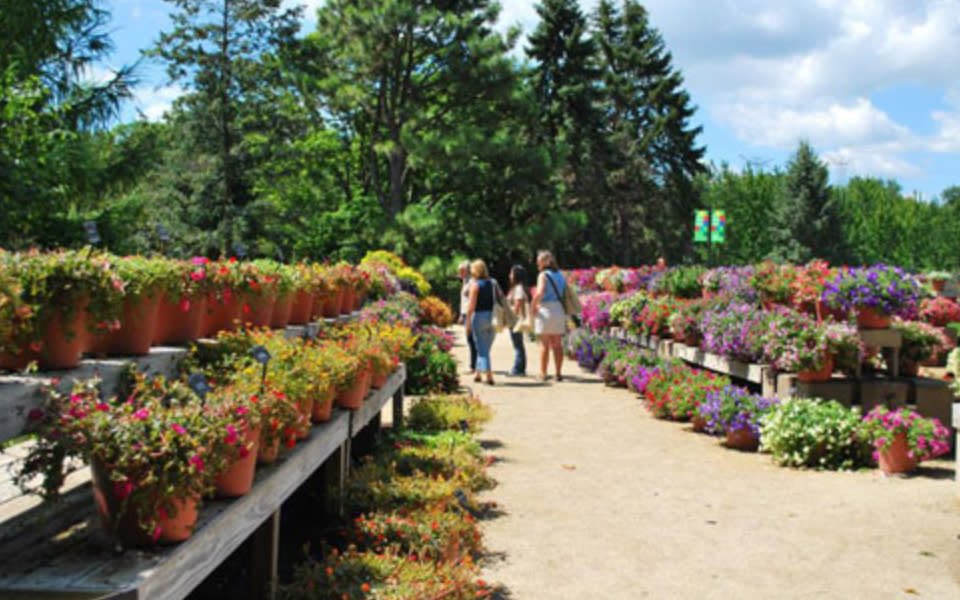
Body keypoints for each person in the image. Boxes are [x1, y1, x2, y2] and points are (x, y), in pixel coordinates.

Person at [531, 250, 566, 382]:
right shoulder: (560, 275)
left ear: (545, 262)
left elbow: (540, 292)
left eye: (539, 261)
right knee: (557, 344)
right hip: (558, 309)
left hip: (545, 309)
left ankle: (543, 373)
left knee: (544, 344)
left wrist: (533, 305)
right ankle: (558, 373)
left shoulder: (543, 275)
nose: (537, 263)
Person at [465, 259, 497, 385]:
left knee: (482, 348)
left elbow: (471, 307)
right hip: (493, 317)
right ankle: (478, 373)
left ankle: (489, 375)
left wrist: (468, 323)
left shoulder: (475, 285)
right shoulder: (493, 283)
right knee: (484, 347)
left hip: (479, 316)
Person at [507, 265, 529, 376]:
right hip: (516, 320)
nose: (509, 276)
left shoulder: (518, 288)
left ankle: (518, 369)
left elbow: (518, 304)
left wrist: (512, 318)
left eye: (511, 273)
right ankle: (520, 368)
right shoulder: (517, 288)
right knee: (518, 344)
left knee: (518, 345)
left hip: (516, 320)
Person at [458, 260, 477, 373]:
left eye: (461, 270)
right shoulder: (465, 281)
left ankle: (474, 365)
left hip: (470, 313)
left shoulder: (472, 282)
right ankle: (475, 364)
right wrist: (461, 314)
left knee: (472, 339)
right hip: (465, 313)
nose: (459, 272)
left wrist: (468, 315)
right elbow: (463, 300)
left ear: (467, 271)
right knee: (470, 339)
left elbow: (471, 300)